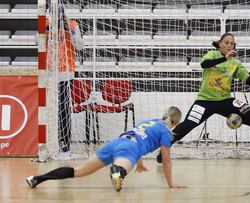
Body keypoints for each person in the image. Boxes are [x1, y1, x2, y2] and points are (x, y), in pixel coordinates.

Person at [157, 33, 250, 163]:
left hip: (226, 101)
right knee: (187, 125)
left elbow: (249, 81)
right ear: (220, 44)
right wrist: (224, 59)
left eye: (232, 43)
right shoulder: (212, 54)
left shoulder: (235, 63)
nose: (229, 45)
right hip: (205, 101)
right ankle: (163, 149)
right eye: (226, 42)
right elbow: (204, 64)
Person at [26, 106, 186, 191]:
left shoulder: (149, 121)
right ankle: (117, 172)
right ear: (176, 123)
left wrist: (139, 163)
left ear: (164, 115)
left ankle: (36, 179)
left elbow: (140, 136)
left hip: (116, 142)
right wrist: (171, 183)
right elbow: (166, 162)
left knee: (78, 171)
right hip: (130, 149)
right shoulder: (166, 133)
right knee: (120, 169)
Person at [46, 5, 84, 152]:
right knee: (48, 108)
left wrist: (71, 31)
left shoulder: (73, 24)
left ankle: (65, 142)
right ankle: (48, 140)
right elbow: (37, 41)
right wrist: (47, 31)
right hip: (49, 74)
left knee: (64, 109)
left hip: (66, 73)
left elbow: (80, 46)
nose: (58, 19)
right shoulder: (44, 23)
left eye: (59, 17)